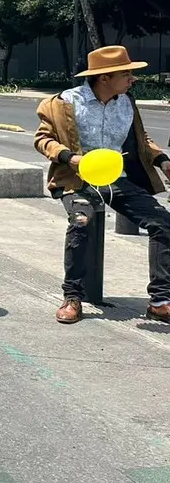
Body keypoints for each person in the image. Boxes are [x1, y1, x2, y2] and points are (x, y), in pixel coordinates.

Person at [33, 46, 170, 325]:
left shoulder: (126, 102)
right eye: (126, 73)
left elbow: (141, 140)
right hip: (78, 179)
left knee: (163, 223)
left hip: (116, 179)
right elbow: (42, 139)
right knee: (82, 220)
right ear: (104, 77)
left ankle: (160, 300)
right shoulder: (63, 103)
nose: (132, 79)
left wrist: (163, 161)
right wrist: (70, 158)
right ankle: (72, 297)